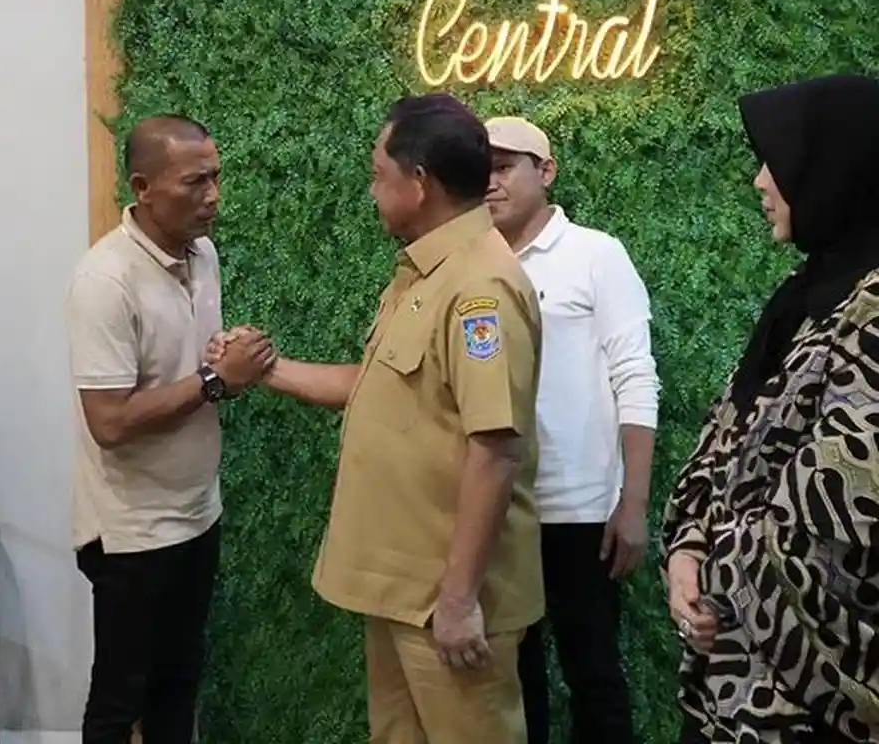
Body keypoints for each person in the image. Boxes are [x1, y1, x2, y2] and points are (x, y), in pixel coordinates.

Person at [212, 94, 545, 742]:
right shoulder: (423, 273)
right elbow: (376, 388)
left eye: (377, 174)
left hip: (444, 601)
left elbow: (496, 449)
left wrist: (457, 600)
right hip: (402, 593)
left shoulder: (480, 288)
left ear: (418, 183)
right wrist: (264, 369)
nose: (371, 190)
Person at [661, 74, 879, 744]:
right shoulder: (801, 296)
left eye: (777, 162)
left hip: (819, 701)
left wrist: (722, 572)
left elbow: (848, 498)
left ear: (836, 167)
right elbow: (726, 435)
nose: (760, 181)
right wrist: (688, 550)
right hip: (734, 686)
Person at [64, 114, 274, 743]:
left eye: (216, 177)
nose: (213, 196)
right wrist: (215, 381)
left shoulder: (203, 254)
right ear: (142, 187)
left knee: (179, 684)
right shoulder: (105, 280)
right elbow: (109, 421)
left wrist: (225, 354)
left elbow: (189, 362)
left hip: (197, 511)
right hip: (131, 528)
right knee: (120, 698)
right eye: (194, 182)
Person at [483, 116, 659, 744]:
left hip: (583, 511)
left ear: (546, 171)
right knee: (512, 676)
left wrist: (633, 503)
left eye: (505, 167)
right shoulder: (472, 264)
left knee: (595, 673)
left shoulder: (596, 254)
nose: (490, 182)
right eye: (481, 169)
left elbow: (635, 376)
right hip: (500, 508)